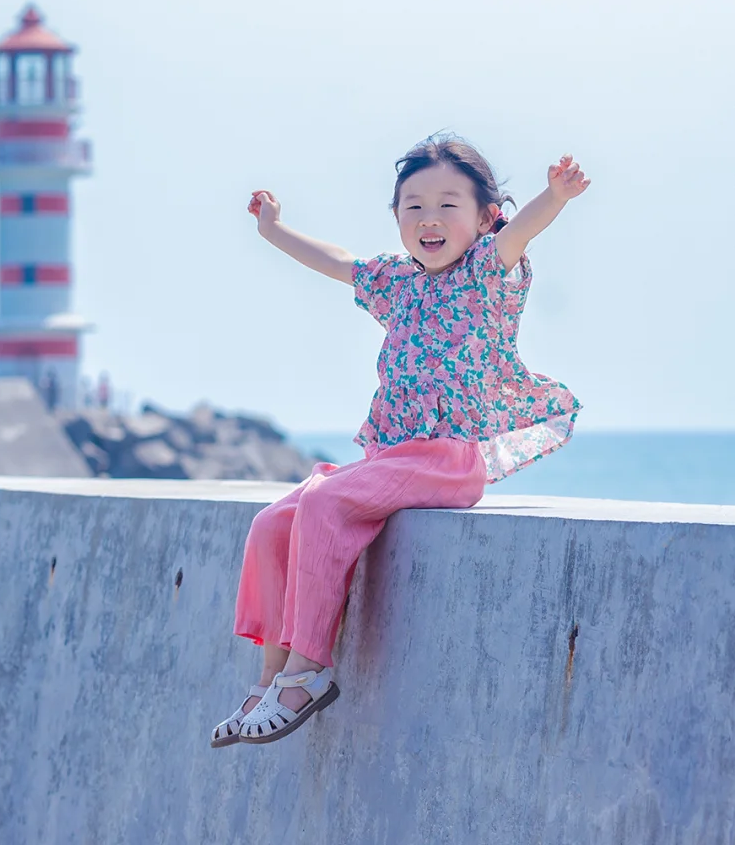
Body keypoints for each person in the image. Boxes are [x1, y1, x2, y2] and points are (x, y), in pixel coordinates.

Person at [211, 132, 589, 749]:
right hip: (391, 457)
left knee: (325, 502)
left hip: (447, 459)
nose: (429, 219)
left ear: (486, 218)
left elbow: (523, 234)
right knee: (271, 524)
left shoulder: (485, 273)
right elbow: (337, 262)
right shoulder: (397, 284)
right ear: (396, 218)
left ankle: (306, 671)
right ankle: (270, 680)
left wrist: (556, 195)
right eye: (413, 206)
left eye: (447, 205)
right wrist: (273, 231)